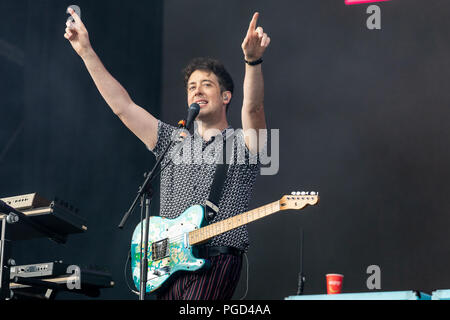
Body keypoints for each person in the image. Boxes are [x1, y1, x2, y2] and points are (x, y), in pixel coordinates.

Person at [64, 8, 271, 300]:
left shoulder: (242, 144)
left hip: (217, 258)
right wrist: (85, 51)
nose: (197, 91)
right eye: (191, 87)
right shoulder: (173, 140)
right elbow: (123, 107)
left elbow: (254, 109)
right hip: (166, 266)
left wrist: (253, 61)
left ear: (226, 96)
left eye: (207, 85)